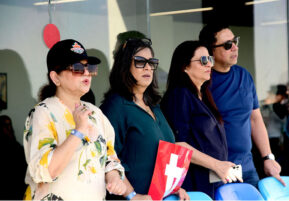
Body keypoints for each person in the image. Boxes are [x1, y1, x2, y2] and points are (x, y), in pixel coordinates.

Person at [23, 39, 126, 200]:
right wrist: (78, 131)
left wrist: (113, 176)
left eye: (89, 67)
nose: (86, 73)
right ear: (55, 77)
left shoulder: (95, 113)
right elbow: (44, 172)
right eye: (77, 68)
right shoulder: (42, 113)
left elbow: (110, 158)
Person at [100, 38, 189, 200]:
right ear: (125, 65)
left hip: (160, 196)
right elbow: (107, 158)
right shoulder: (115, 106)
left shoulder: (154, 105)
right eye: (140, 61)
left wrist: (173, 187)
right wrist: (133, 196)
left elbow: (162, 152)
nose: (148, 67)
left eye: (151, 62)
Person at [199, 23, 285, 187]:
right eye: (227, 45)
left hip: (247, 167)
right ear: (211, 51)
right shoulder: (203, 82)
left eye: (235, 41)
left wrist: (268, 158)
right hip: (218, 172)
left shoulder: (244, 75)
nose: (234, 48)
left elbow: (255, 119)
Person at [160, 40, 242, 198]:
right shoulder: (179, 95)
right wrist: (217, 165)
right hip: (193, 185)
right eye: (203, 60)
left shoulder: (203, 95)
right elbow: (177, 144)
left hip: (212, 182)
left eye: (209, 59)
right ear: (184, 66)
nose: (209, 65)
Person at [0, 115, 27, 200]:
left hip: (17, 191)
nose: (8, 128)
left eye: (9, 125)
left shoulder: (17, 147)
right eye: (5, 125)